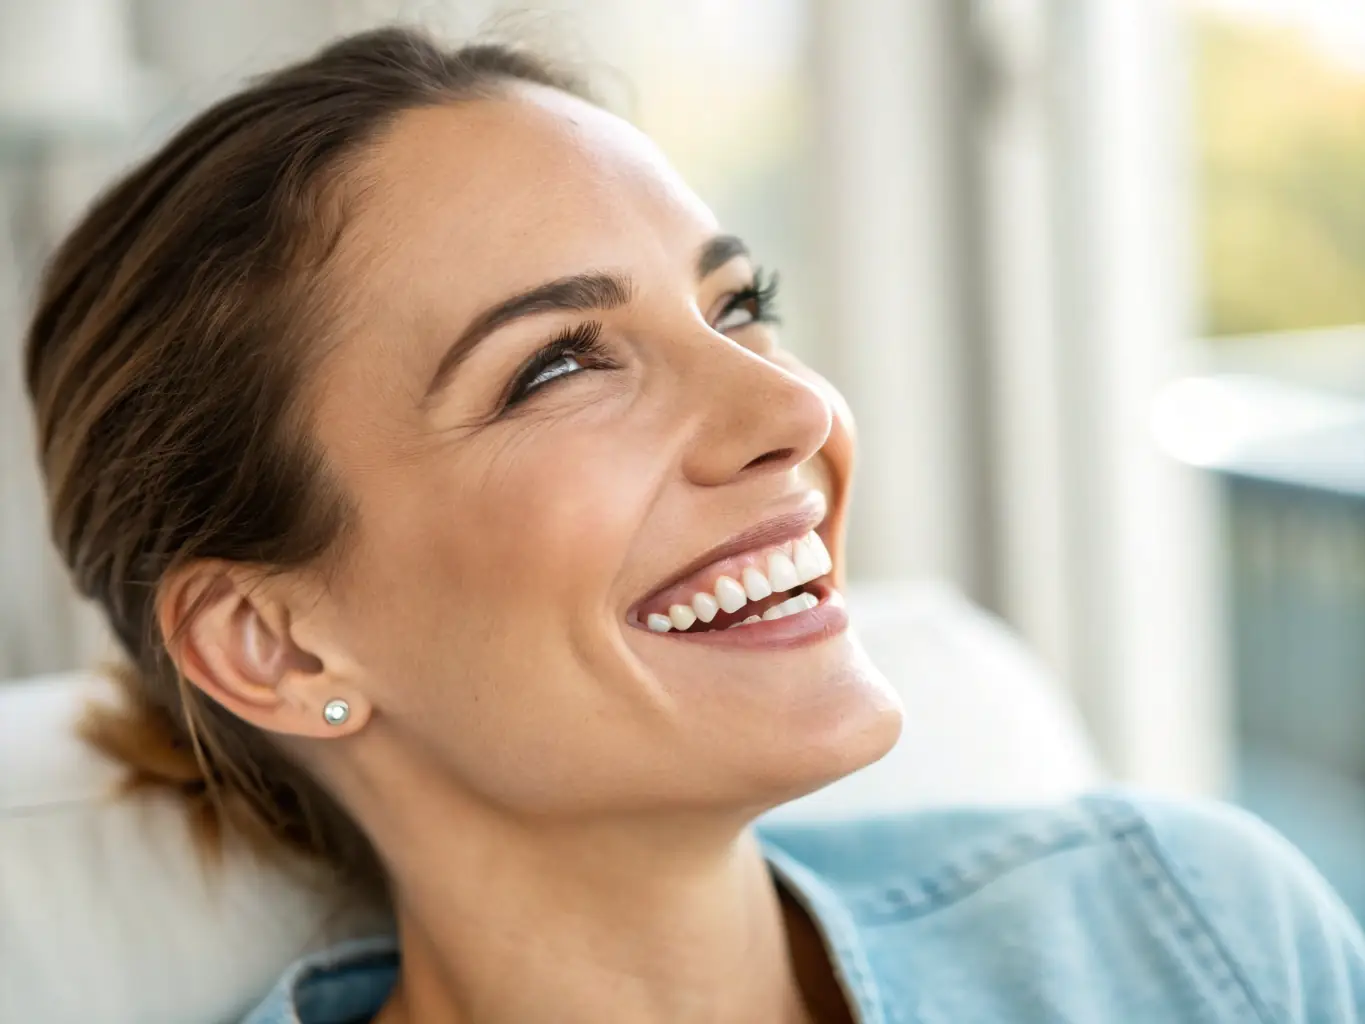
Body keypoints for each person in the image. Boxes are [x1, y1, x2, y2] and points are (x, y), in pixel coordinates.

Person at [22, 25, 1365, 1024]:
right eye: (557, 364)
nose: (791, 406)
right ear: (273, 642)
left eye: (736, 305)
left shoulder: (1194, 940)